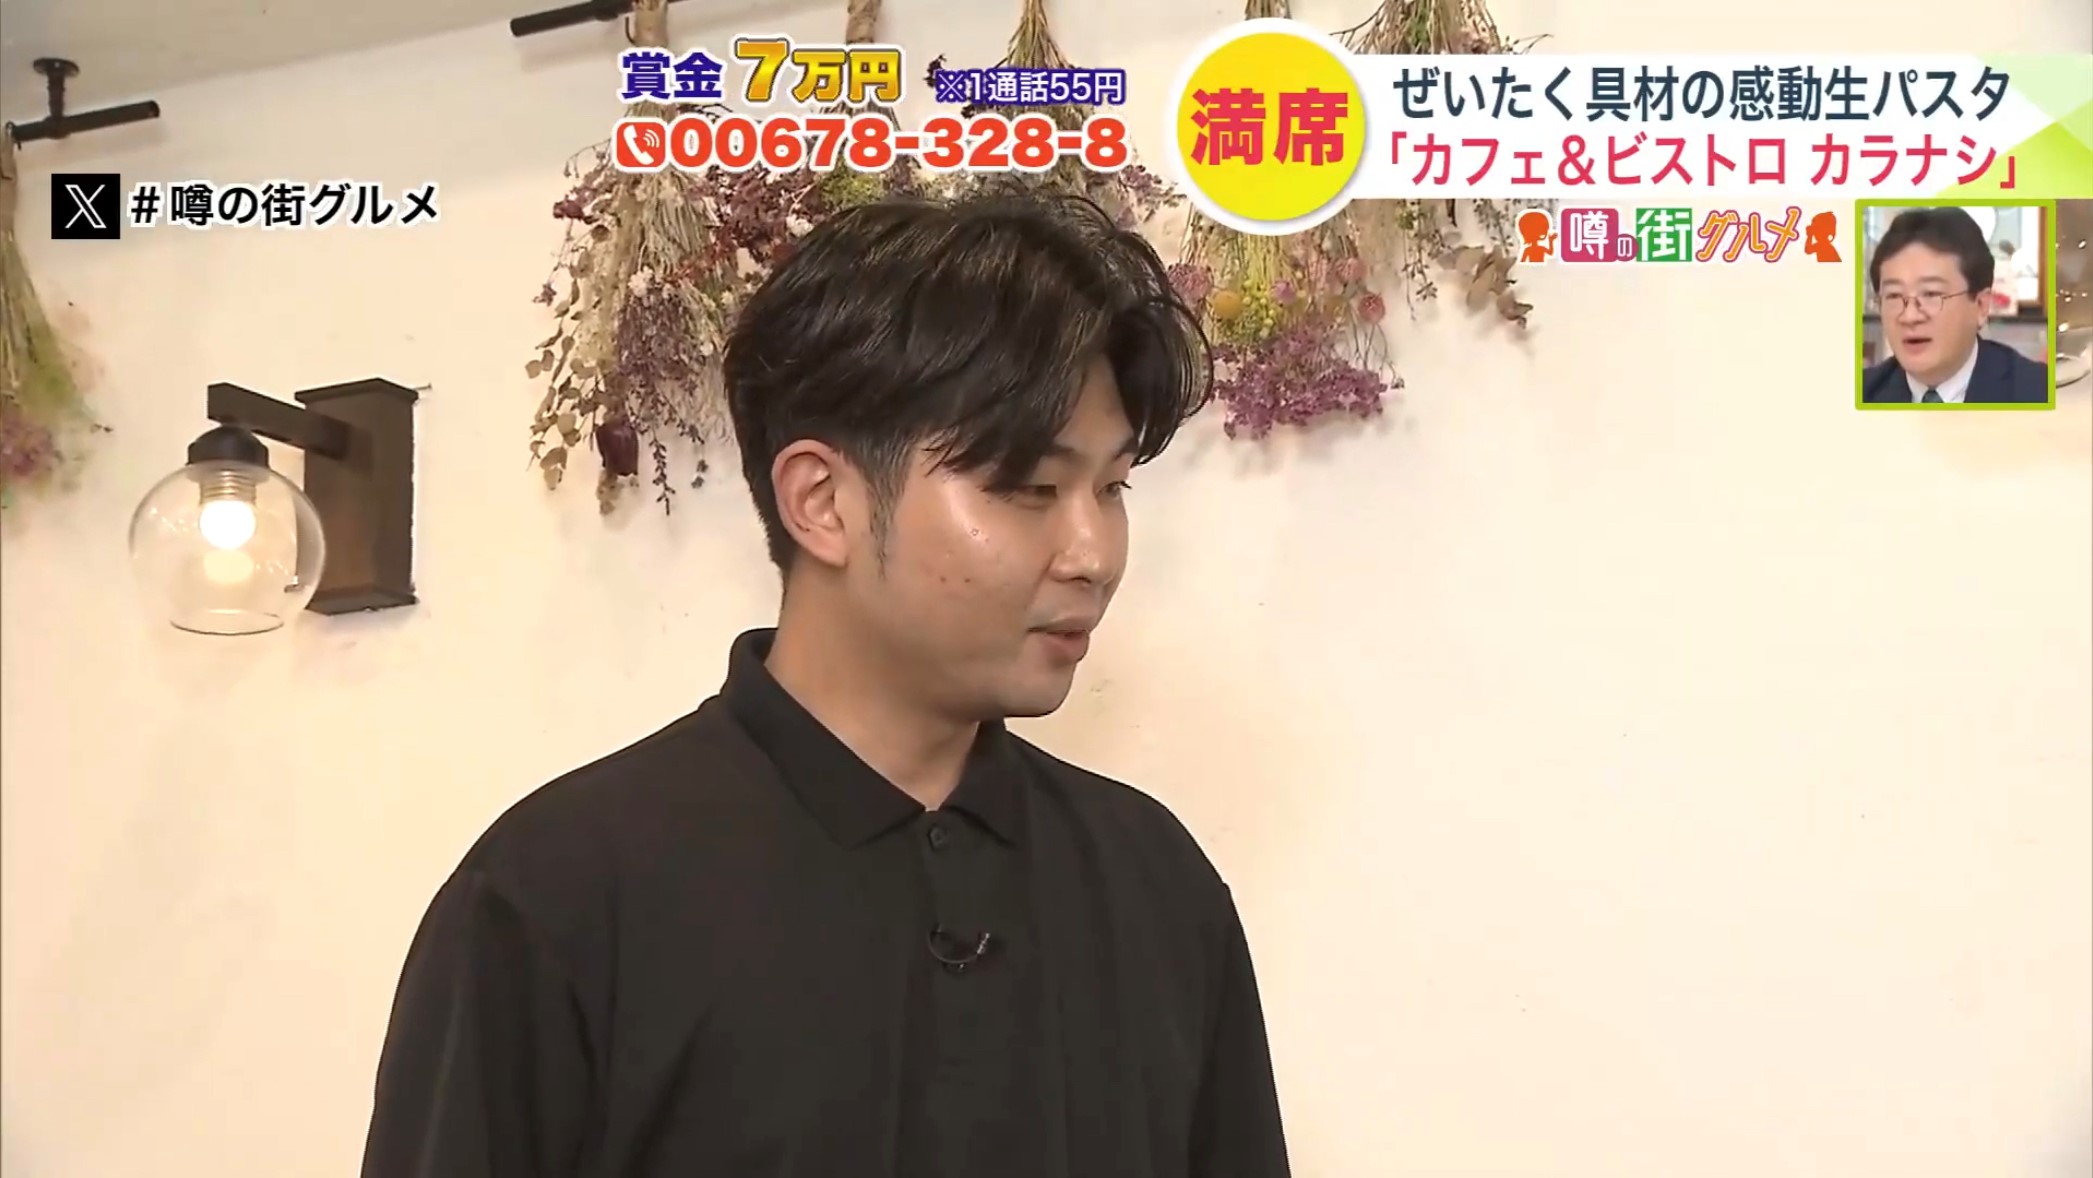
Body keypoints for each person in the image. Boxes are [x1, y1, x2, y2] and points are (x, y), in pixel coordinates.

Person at [357, 192, 1290, 1178]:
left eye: (1111, 488)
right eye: (1029, 487)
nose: (1093, 554)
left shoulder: (1153, 883)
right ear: (822, 501)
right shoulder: (557, 896)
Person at [1861, 206, 2049, 404]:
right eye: (1894, 296)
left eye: (1931, 294)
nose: (1909, 316)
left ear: (1981, 305)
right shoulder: (1857, 393)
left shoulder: (2038, 391)